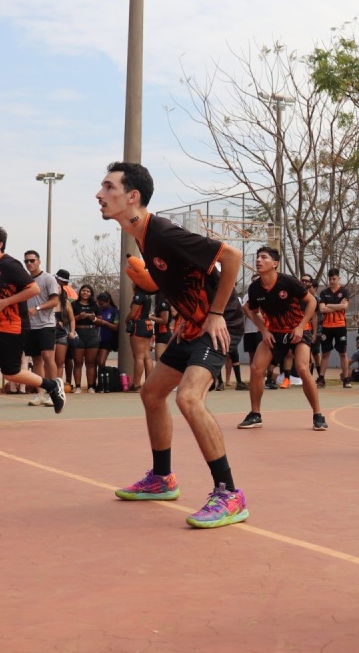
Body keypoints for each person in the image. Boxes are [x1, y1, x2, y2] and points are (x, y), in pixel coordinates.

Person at [97, 161, 248, 529]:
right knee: (152, 394)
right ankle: (162, 478)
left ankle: (229, 494)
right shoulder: (143, 237)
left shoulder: (162, 232)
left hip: (218, 324)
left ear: (132, 197)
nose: (100, 194)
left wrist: (214, 313)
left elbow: (231, 257)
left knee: (189, 398)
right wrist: (160, 291)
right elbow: (183, 277)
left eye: (108, 187)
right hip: (193, 324)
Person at [0, 225, 65, 428]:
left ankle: (51, 385)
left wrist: (6, 302)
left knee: (11, 372)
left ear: (0, 244)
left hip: (13, 326)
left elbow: (34, 288)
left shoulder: (10, 265)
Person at [238, 246, 328, 430]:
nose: (258, 260)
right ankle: (255, 415)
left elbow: (312, 301)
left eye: (264, 257)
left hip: (298, 330)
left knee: (302, 368)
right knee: (256, 369)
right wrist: (264, 330)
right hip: (274, 332)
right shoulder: (255, 288)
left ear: (275, 263)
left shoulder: (287, 282)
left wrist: (301, 326)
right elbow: (250, 310)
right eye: (258, 257)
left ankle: (318, 415)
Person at [22, 250, 60, 404]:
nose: (29, 263)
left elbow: (55, 301)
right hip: (30, 326)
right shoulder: (24, 280)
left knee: (48, 356)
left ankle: (55, 393)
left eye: (32, 260)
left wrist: (37, 308)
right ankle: (41, 394)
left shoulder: (48, 278)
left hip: (46, 324)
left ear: (39, 261)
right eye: (26, 261)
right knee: (36, 359)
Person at [318, 268, 352, 388]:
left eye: (334, 279)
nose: (332, 281)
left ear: (338, 278)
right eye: (330, 279)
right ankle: (321, 378)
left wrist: (329, 305)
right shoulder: (324, 292)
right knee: (325, 353)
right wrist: (338, 305)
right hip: (327, 327)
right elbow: (322, 309)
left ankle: (346, 378)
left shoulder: (344, 291)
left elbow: (345, 307)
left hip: (340, 326)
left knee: (343, 353)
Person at [71, 283, 100, 393]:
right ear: (80, 292)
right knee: (78, 361)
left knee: (91, 362)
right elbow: (69, 319)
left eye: (88, 291)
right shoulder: (74, 304)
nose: (85, 293)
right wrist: (79, 317)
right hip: (78, 333)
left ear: (91, 293)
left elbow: (100, 321)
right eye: (83, 290)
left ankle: (91, 386)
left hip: (91, 334)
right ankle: (78, 386)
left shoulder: (94, 306)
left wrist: (94, 319)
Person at [126, 282, 155, 390]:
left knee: (139, 357)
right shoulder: (148, 296)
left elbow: (133, 313)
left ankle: (136, 384)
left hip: (139, 325)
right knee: (147, 356)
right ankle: (149, 384)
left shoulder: (138, 296)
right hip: (148, 324)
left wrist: (126, 320)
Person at [94, 291, 120, 388]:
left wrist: (104, 323)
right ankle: (95, 382)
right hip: (96, 338)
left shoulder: (114, 311)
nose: (100, 306)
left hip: (107, 339)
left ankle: (104, 381)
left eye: (102, 304)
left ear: (108, 301)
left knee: (101, 361)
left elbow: (116, 327)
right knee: (94, 361)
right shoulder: (97, 310)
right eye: (99, 304)